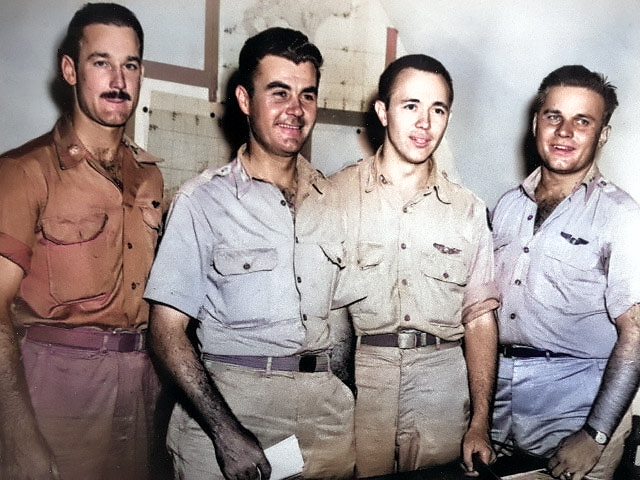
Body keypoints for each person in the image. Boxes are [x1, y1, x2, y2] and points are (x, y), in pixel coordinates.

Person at [144, 27, 356, 480]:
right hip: (233, 415)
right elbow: (166, 332)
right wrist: (226, 433)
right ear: (244, 100)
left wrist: (342, 397)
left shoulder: (334, 199)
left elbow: (340, 323)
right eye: (278, 93)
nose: (295, 111)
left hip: (324, 421)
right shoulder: (202, 202)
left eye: (307, 96)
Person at [0, 3, 164, 480]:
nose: (118, 78)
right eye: (101, 62)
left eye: (130, 65)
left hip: (140, 390)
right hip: (56, 393)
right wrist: (17, 434)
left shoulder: (149, 178)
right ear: (70, 70)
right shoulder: (23, 172)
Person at [329, 54, 499, 477]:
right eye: (411, 106)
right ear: (383, 111)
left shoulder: (467, 210)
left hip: (441, 382)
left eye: (437, 110)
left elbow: (479, 321)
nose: (424, 123)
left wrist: (479, 423)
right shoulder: (334, 195)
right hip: (361, 379)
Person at [491, 65, 640, 480]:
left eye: (583, 121)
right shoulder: (506, 206)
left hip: (576, 416)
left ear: (602, 134)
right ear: (536, 122)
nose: (564, 131)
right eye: (553, 116)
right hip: (498, 413)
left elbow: (637, 332)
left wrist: (594, 434)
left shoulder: (622, 217)